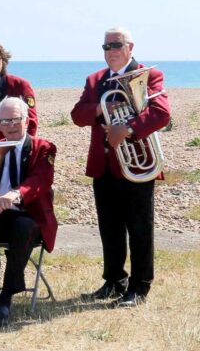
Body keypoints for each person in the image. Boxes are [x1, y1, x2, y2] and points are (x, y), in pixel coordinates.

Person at [71, 27, 169, 308]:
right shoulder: (95, 80)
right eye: (106, 46)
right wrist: (100, 110)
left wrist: (126, 129)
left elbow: (161, 112)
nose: (111, 51)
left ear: (130, 46)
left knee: (140, 227)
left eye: (116, 44)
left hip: (138, 163)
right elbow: (78, 115)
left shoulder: (149, 75)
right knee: (109, 227)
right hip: (104, 164)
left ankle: (140, 286)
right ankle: (114, 280)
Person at [0, 97, 57, 326]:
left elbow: (41, 180)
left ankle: (6, 296)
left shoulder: (43, 147)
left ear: (26, 121)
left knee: (23, 227)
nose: (10, 125)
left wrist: (15, 194)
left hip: (29, 215)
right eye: (5, 121)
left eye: (15, 119)